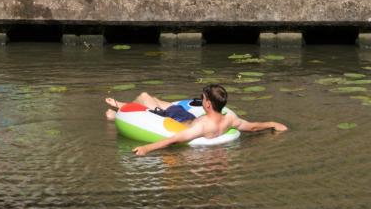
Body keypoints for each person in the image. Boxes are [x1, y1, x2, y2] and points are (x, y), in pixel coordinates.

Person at [105, 84, 289, 156]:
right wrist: (273, 124)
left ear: (208, 104)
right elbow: (253, 127)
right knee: (158, 101)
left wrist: (147, 148)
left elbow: (174, 139)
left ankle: (119, 110)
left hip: (178, 121)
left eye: (203, 99)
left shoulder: (202, 126)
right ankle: (119, 109)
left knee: (145, 96)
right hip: (188, 117)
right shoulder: (229, 119)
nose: (201, 100)